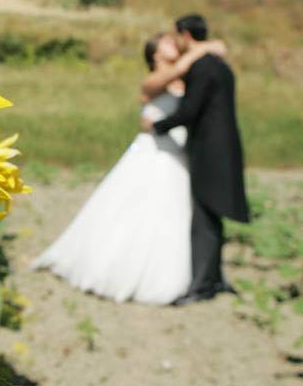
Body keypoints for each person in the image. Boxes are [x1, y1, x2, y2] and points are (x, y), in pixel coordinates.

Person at [32, 32, 226, 304]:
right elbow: (178, 71)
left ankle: (179, 276)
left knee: (174, 215)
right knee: (136, 209)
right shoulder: (153, 81)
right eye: (168, 42)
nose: (175, 45)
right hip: (152, 153)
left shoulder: (184, 81)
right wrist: (204, 47)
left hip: (177, 156)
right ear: (155, 53)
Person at [142, 13, 250, 304]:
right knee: (211, 215)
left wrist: (158, 126)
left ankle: (202, 286)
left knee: (204, 216)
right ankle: (214, 277)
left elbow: (190, 110)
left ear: (185, 36)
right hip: (218, 147)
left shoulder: (202, 66)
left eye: (175, 37)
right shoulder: (216, 63)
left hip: (208, 149)